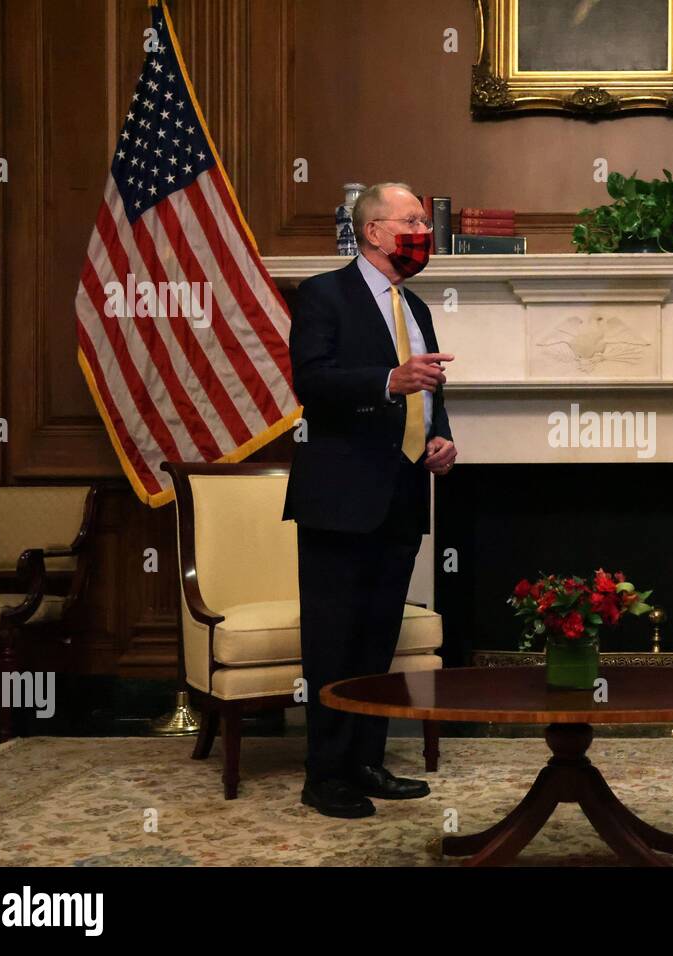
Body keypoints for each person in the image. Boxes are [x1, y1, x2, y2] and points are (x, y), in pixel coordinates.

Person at [282, 182, 458, 818]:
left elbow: (432, 390)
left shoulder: (416, 307)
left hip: (403, 494)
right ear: (376, 232)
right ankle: (324, 773)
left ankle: (365, 760)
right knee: (334, 638)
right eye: (412, 220)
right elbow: (312, 381)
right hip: (340, 496)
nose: (422, 232)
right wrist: (387, 381)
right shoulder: (324, 293)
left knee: (377, 640)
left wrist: (442, 438)